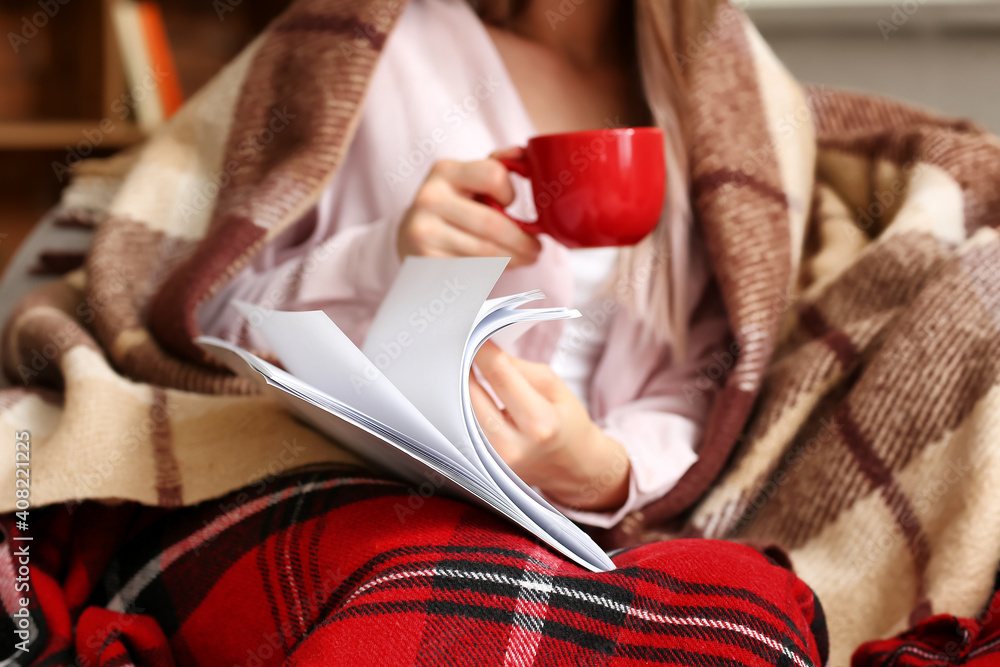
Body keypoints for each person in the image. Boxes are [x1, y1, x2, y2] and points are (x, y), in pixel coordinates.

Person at [199, 0, 730, 529]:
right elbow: (216, 324)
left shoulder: (713, 99)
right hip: (371, 496)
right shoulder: (363, 44)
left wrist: (605, 471)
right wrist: (380, 255)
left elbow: (711, 382)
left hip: (591, 535)